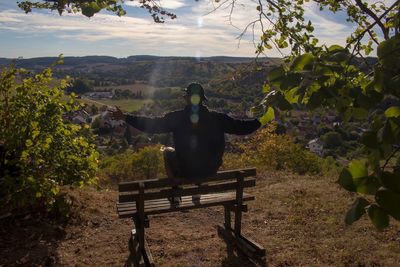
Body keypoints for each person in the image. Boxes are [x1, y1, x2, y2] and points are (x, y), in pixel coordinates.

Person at [110, 82, 266, 182]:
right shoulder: (218, 118)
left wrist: (124, 116)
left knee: (167, 151)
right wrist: (263, 119)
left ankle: (175, 187)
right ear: (203, 100)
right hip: (211, 169)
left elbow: (151, 125)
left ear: (186, 99)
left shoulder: (177, 118)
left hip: (187, 170)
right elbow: (242, 128)